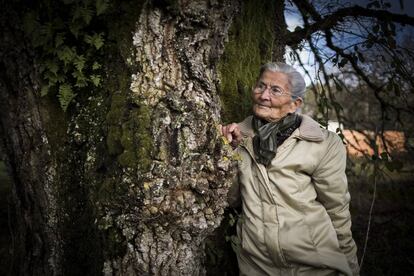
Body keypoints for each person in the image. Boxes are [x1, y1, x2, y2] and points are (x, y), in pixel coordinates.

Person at [222, 62, 360, 275]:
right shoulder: (236, 136)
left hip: (315, 264)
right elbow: (232, 200)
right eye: (261, 86)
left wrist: (350, 264)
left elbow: (337, 209)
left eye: (275, 90)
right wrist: (229, 153)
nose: (263, 95)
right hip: (256, 265)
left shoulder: (323, 143)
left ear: (295, 104)